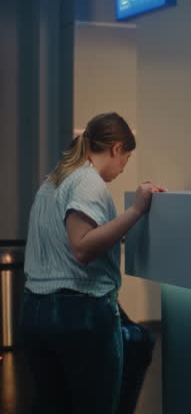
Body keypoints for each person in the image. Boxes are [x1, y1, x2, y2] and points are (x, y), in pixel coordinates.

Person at [20, 112, 166, 413]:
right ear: (116, 149)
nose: (123, 167)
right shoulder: (88, 182)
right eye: (126, 158)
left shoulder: (55, 180)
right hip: (79, 315)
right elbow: (82, 247)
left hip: (35, 311)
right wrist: (136, 211)